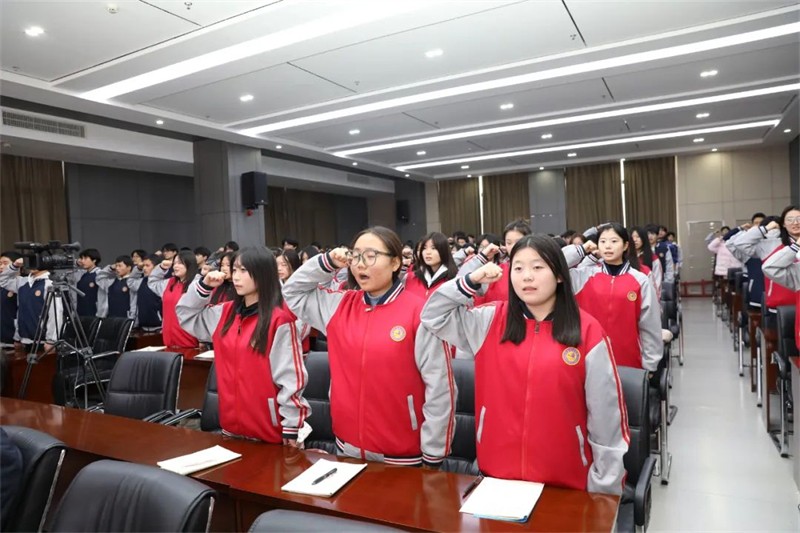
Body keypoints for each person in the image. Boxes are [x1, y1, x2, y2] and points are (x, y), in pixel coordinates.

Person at [421, 235, 628, 494]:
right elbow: (433, 316)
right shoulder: (488, 321)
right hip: (496, 476)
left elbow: (606, 420)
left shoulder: (588, 331)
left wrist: (604, 491)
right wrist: (470, 280)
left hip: (565, 482)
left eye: (538, 267)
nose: (527, 277)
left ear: (559, 275)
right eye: (518, 268)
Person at [283, 226, 456, 467]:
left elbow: (440, 389)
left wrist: (434, 454)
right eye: (355, 255)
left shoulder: (421, 313)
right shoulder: (339, 305)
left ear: (395, 263)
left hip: (403, 454)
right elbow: (292, 292)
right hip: (346, 446)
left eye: (371, 255)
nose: (360, 264)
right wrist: (326, 262)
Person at [176, 247, 310, 445]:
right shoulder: (224, 313)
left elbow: (291, 378)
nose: (236, 277)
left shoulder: (279, 320)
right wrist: (203, 287)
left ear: (262, 273)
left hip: (270, 433)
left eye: (244, 270)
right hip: (230, 428)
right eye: (234, 270)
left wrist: (291, 427)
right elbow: (185, 315)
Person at [565, 223, 662, 371]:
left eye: (614, 241)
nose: (608, 246)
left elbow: (650, 325)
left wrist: (650, 365)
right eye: (603, 241)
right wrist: (581, 249)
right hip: (587, 359)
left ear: (625, 246)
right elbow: (554, 266)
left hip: (628, 360)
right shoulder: (584, 276)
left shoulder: (640, 280)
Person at [458, 219, 531, 305]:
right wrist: (481, 258)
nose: (513, 246)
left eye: (518, 242)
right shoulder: (497, 272)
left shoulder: (540, 270)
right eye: (509, 242)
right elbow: (459, 284)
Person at [0, 257, 62, 354]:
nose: (33, 264)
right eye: (31, 261)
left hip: (43, 341)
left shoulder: (50, 283)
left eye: (36, 261)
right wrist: (14, 265)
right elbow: (3, 281)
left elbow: (56, 314)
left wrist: (51, 340)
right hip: (24, 340)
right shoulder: (22, 282)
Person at [148, 250, 199, 348]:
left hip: (190, 341)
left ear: (189, 264)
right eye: (174, 263)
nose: (175, 266)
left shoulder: (198, 284)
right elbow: (152, 282)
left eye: (180, 263)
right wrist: (161, 268)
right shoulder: (169, 283)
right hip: (169, 340)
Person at [404, 232, 457, 300]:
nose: (428, 252)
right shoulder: (410, 278)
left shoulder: (455, 282)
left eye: (433, 248)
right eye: (424, 248)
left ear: (444, 250)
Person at [95, 255, 140, 320]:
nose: (117, 268)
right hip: (110, 318)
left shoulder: (132, 283)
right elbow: (99, 279)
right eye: (116, 266)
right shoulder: (111, 282)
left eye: (120, 266)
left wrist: (132, 318)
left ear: (129, 268)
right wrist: (110, 268)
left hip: (127, 319)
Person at [129, 254, 162, 331]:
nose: (144, 268)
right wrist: (138, 268)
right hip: (142, 327)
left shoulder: (162, 282)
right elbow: (130, 282)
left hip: (159, 328)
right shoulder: (141, 281)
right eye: (143, 266)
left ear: (156, 267)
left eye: (147, 265)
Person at [69, 248, 101, 317]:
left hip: (95, 314)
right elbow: (69, 272)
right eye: (81, 258)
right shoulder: (81, 274)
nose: (82, 261)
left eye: (85, 258)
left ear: (94, 260)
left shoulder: (99, 274)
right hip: (79, 314)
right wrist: (76, 262)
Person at [0, 252, 21, 347]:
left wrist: (18, 337)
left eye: (5, 263)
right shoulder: (2, 285)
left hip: (14, 341)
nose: (1, 266)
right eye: (0, 263)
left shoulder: (22, 284)